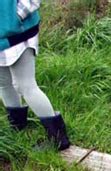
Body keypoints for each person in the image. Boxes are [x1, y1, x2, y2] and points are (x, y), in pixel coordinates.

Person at [0, 0, 70, 150]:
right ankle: (17, 127)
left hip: (18, 35)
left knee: (27, 86)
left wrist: (15, 17)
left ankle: (58, 138)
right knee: (3, 84)